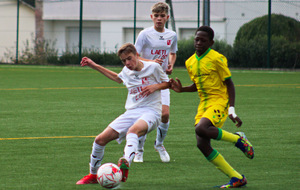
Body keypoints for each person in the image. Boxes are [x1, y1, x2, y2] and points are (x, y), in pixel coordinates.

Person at [170, 26, 254, 188]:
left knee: (201, 128)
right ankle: (236, 177)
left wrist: (231, 109)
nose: (199, 43)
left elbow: (229, 83)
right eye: (196, 39)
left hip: (219, 101)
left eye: (203, 40)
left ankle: (238, 139)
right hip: (204, 104)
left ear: (211, 42)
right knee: (202, 144)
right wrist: (182, 90)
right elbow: (197, 85)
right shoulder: (190, 62)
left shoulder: (217, 58)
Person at [76, 43, 170, 184]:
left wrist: (155, 86)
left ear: (137, 55)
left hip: (151, 112)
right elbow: (117, 78)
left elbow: (169, 83)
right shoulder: (127, 71)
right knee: (99, 140)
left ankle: (125, 163)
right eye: (124, 60)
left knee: (132, 131)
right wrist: (93, 65)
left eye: (130, 58)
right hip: (131, 112)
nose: (127, 63)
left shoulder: (153, 67)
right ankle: (93, 175)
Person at [134, 1, 178, 163]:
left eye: (162, 16)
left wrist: (171, 64)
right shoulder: (144, 34)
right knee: (144, 116)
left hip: (162, 79)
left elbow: (173, 53)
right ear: (151, 17)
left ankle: (159, 144)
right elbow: (136, 56)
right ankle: (139, 149)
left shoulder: (172, 35)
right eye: (156, 16)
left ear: (167, 17)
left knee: (165, 114)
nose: (159, 19)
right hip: (145, 79)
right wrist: (150, 62)